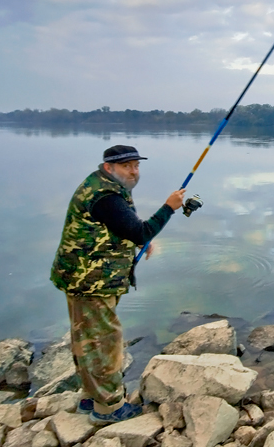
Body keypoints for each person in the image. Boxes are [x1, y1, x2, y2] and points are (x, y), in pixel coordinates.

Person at [50, 145, 185, 425]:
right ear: (109, 167)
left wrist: (137, 240)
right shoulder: (104, 195)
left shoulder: (104, 185)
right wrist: (168, 208)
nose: (133, 171)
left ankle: (91, 395)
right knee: (104, 340)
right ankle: (108, 408)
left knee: (87, 338)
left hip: (85, 276)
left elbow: (121, 227)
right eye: (127, 166)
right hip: (90, 280)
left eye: (136, 165)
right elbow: (139, 229)